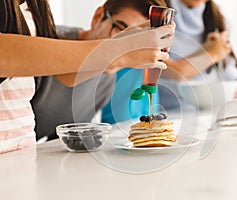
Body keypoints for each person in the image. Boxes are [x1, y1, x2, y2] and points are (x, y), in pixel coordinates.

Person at [0, 0, 174, 152]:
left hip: (21, 153)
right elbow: (6, 56)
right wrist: (118, 51)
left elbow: (63, 76)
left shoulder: (33, 6)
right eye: (120, 27)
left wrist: (118, 49)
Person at [56, 0, 170, 125]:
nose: (127, 48)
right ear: (98, 17)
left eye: (139, 41)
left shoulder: (109, 78)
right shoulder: (49, 39)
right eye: (121, 30)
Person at [159, 0, 237, 109]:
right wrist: (212, 54)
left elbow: (224, 60)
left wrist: (235, 78)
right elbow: (176, 72)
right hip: (164, 109)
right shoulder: (159, 12)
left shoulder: (216, 17)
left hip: (202, 107)